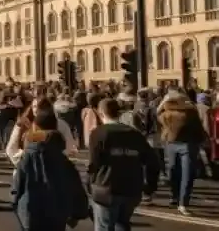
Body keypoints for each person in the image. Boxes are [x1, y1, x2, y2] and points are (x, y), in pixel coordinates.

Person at [87, 98, 159, 229]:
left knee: (104, 226)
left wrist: (90, 184)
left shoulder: (98, 133)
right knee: (123, 224)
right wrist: (150, 186)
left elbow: (94, 163)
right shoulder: (135, 134)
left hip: (106, 188)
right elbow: (152, 161)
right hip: (131, 189)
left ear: (101, 112)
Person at [12, 107, 88, 230]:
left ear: (35, 127)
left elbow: (17, 186)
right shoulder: (63, 160)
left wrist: (17, 206)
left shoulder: (28, 156)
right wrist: (78, 213)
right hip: (57, 214)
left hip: (31, 211)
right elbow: (76, 187)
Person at [157, 93, 206, 216]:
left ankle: (177, 198)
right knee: (185, 174)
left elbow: (157, 115)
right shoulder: (190, 113)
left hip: (173, 144)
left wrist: (163, 102)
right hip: (187, 145)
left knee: (175, 171)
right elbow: (199, 129)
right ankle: (182, 202)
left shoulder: (167, 113)